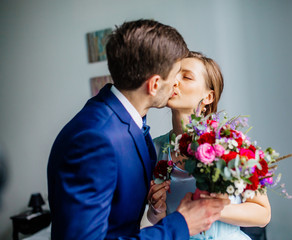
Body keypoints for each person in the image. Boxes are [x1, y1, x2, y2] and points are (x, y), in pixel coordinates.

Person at [47, 20, 230, 240]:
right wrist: (181, 224)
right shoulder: (95, 138)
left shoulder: (130, 125)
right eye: (175, 76)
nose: (176, 86)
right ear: (154, 85)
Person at [147, 51, 271, 240]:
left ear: (208, 97)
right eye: (173, 74)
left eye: (186, 76)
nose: (174, 81)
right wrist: (157, 209)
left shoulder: (232, 142)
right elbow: (159, 222)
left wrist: (210, 208)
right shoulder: (154, 149)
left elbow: (263, 215)